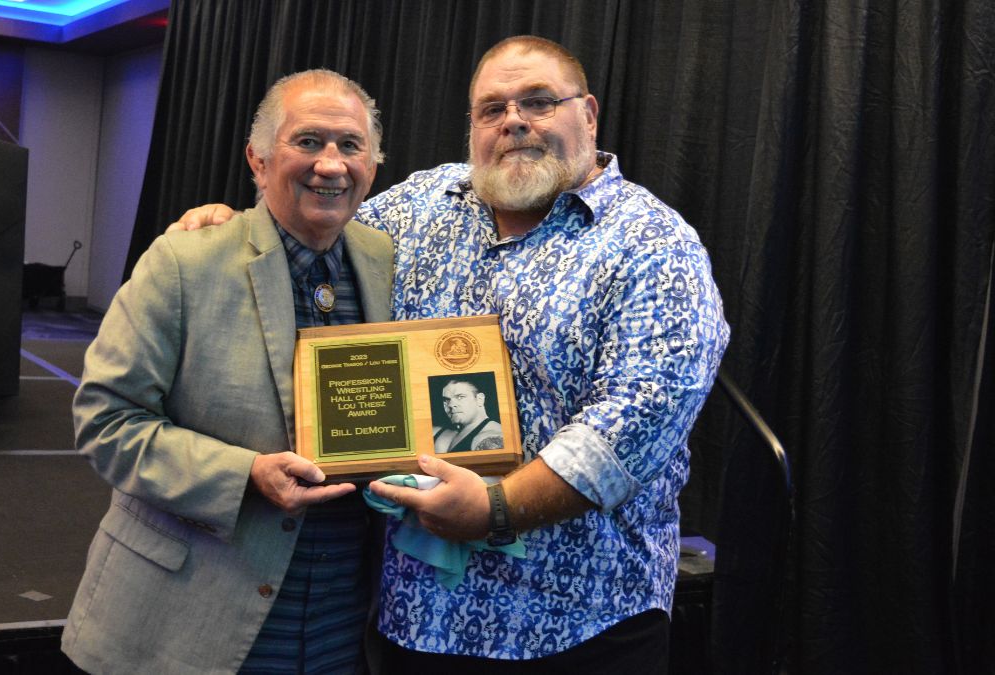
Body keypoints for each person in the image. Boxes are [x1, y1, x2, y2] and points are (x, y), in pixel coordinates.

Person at [172, 36, 729, 674]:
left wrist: (497, 510)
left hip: (577, 625)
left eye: (539, 102)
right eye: (492, 109)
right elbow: (312, 236)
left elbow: (632, 427)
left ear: (590, 114)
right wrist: (236, 229)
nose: (514, 120)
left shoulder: (654, 244)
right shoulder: (422, 205)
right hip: (413, 619)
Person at [62, 69, 393, 674]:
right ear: (259, 160)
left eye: (350, 145)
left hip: (341, 626)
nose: (331, 164)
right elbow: (104, 421)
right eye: (308, 141)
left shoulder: (389, 262)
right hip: (186, 622)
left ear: (373, 164)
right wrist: (246, 476)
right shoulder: (186, 260)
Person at [432, 378, 503, 453]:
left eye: (460, 397)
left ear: (479, 399)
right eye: (447, 400)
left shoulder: (490, 438)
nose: (451, 405)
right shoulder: (442, 432)